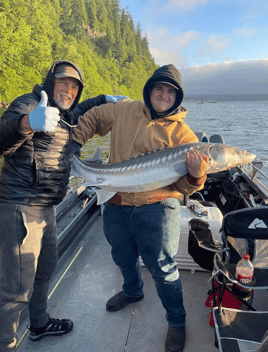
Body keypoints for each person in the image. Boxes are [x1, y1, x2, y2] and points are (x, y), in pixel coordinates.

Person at [72, 64, 209, 352]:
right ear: (149, 90)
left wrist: (197, 177)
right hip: (117, 201)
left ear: (177, 97)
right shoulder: (125, 109)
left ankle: (177, 321)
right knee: (121, 255)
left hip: (157, 208)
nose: (163, 95)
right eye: (158, 88)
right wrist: (73, 144)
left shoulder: (184, 136)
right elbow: (93, 117)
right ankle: (133, 292)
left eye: (170, 92)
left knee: (163, 267)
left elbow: (184, 188)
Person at [0, 59, 126, 352]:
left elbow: (80, 109)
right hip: (21, 207)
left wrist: (104, 99)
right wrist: (26, 124)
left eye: (74, 87)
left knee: (45, 270)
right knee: (16, 289)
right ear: (49, 83)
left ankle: (40, 325)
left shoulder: (66, 113)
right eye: (62, 84)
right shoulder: (30, 105)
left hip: (47, 206)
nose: (68, 91)